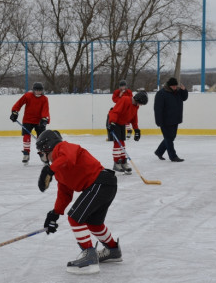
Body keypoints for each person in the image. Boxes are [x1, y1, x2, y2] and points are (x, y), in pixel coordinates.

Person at [36, 130, 122, 274]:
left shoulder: (62, 147)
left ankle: (89, 256)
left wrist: (50, 170)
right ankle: (113, 250)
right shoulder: (59, 168)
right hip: (104, 186)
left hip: (100, 183)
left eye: (41, 153)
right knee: (94, 224)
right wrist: (54, 214)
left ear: (47, 147)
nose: (42, 157)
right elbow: (65, 194)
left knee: (75, 217)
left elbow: (68, 158)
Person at [107, 91, 148, 174]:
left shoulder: (136, 106)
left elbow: (134, 117)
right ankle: (116, 163)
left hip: (122, 123)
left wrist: (136, 129)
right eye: (140, 103)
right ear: (137, 99)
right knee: (118, 143)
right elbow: (115, 111)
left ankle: (123, 162)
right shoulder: (125, 100)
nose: (140, 105)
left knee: (122, 143)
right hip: (114, 122)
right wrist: (112, 122)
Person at [10, 82, 50, 165]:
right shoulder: (27, 96)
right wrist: (15, 112)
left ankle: (42, 153)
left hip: (39, 121)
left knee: (41, 137)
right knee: (26, 136)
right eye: (37, 90)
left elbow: (45, 110)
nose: (39, 92)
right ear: (33, 90)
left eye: (40, 90)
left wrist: (44, 119)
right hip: (27, 120)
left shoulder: (44, 99)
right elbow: (19, 104)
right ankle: (26, 154)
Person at [153, 77, 188, 162]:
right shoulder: (161, 93)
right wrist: (159, 121)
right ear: (169, 86)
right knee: (168, 138)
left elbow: (184, 98)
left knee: (171, 137)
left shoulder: (178, 92)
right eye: (173, 86)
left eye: (176, 86)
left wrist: (184, 90)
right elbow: (157, 109)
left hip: (175, 119)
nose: (175, 87)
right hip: (165, 120)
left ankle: (159, 151)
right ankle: (173, 156)